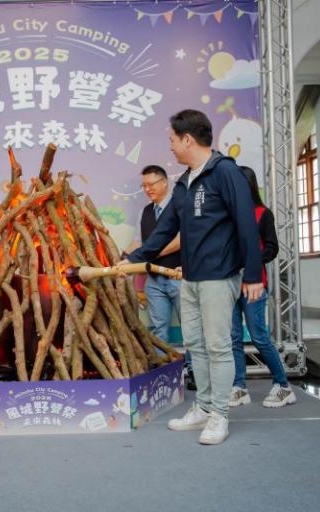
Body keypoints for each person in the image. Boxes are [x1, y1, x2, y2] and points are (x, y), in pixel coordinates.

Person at [118, 109, 263, 445]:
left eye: (172, 139)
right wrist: (132, 260)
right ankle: (204, 406)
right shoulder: (184, 182)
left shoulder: (225, 172)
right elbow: (164, 229)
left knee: (218, 346)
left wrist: (253, 274)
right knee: (195, 345)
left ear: (187, 139)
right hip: (190, 278)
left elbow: (246, 223)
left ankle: (220, 415)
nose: (170, 146)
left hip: (219, 277)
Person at [123, 166, 196, 389]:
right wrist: (122, 258)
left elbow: (181, 239)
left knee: (190, 328)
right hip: (154, 280)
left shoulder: (179, 207)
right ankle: (161, 373)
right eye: (144, 186)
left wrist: (150, 253)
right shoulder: (145, 212)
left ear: (164, 182)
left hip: (179, 277)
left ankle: (194, 372)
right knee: (158, 329)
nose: (147, 189)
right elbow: (138, 242)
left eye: (151, 184)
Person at [229, 167, 296, 408]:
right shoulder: (227, 214)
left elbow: (272, 247)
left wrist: (251, 264)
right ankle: (239, 387)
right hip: (229, 284)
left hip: (254, 285)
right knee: (234, 338)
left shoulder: (262, 213)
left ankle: (283, 386)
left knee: (258, 336)